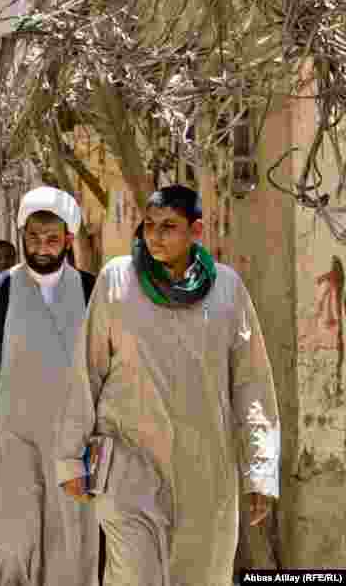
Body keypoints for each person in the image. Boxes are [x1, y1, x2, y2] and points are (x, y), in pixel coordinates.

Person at [56, 185, 280, 586]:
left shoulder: (227, 290)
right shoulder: (116, 281)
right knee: (135, 575)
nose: (154, 236)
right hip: (128, 463)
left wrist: (260, 470)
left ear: (196, 231)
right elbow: (85, 372)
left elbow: (251, 383)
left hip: (206, 470)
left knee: (202, 576)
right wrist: (70, 458)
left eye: (168, 227)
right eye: (149, 225)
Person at [0, 186, 99, 586]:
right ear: (21, 236)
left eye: (51, 239)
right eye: (33, 238)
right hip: (11, 445)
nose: (42, 248)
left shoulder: (91, 291)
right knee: (12, 549)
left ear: (67, 239)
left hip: (74, 449)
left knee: (71, 555)